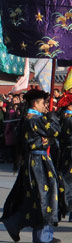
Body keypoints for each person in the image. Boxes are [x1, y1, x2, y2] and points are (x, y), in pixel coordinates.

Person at [0, 89, 61, 243]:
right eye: (43, 103)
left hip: (38, 159)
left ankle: (15, 223)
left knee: (33, 196)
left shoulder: (32, 119)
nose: (45, 106)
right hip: (37, 160)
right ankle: (42, 236)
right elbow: (55, 130)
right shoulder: (34, 120)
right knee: (44, 195)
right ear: (35, 103)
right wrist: (51, 115)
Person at [57, 91, 72, 222]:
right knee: (68, 182)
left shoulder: (64, 117)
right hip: (69, 153)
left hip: (65, 153)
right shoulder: (68, 119)